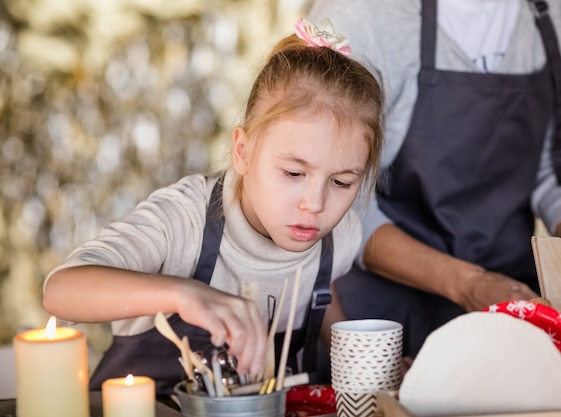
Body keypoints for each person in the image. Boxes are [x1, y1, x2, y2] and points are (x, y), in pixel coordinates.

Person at [42, 17, 384, 395]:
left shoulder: (342, 235)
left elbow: (317, 284)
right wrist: (184, 294)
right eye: (292, 173)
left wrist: (359, 359)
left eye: (341, 182)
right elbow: (60, 290)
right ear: (243, 151)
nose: (315, 205)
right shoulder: (184, 219)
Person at [307, 0, 561, 358]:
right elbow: (333, 195)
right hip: (379, 320)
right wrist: (468, 282)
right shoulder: (362, 14)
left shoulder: (551, 15)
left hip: (513, 312)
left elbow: (549, 168)